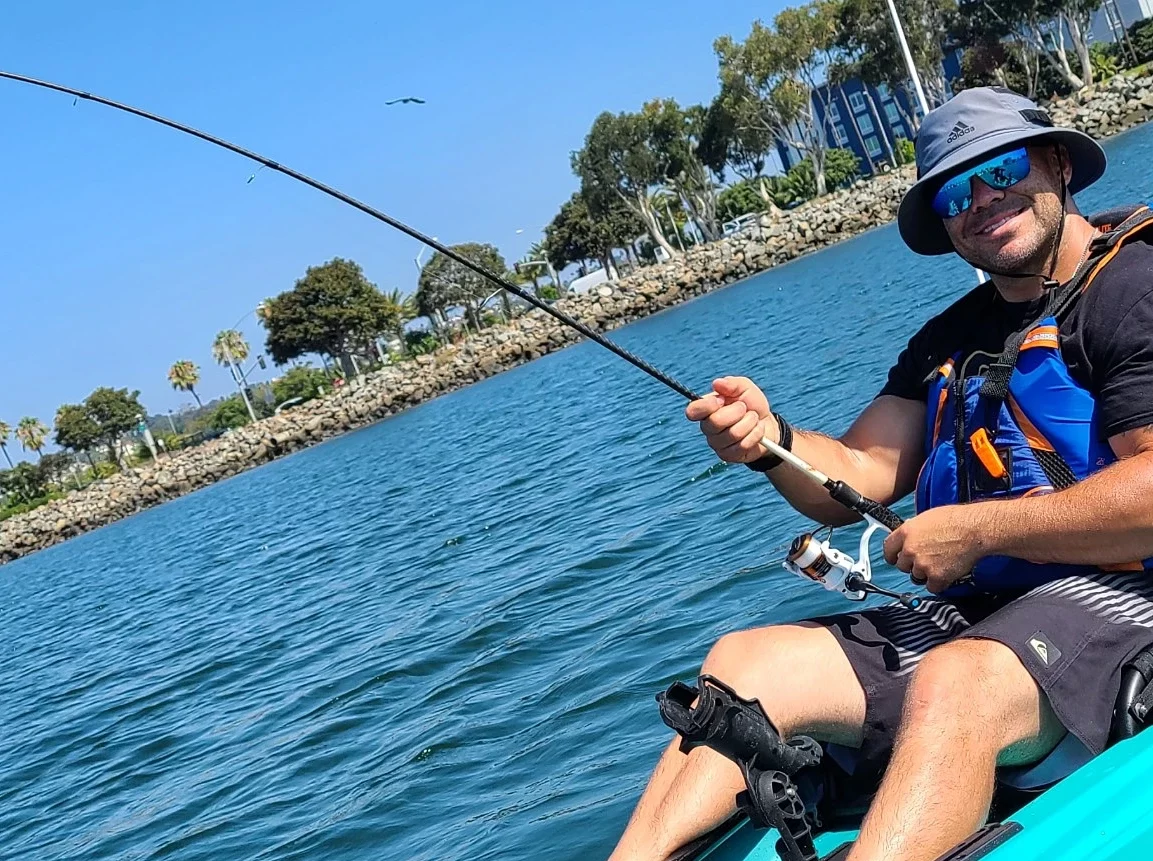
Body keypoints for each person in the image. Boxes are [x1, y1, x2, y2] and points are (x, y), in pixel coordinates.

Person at [609, 86, 1153, 861]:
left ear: (1057, 163)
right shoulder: (947, 339)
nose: (982, 200)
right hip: (989, 613)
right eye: (954, 193)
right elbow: (860, 469)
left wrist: (974, 529)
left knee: (955, 680)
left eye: (1000, 169)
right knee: (741, 663)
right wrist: (769, 440)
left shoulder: (1131, 289)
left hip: (1130, 595)